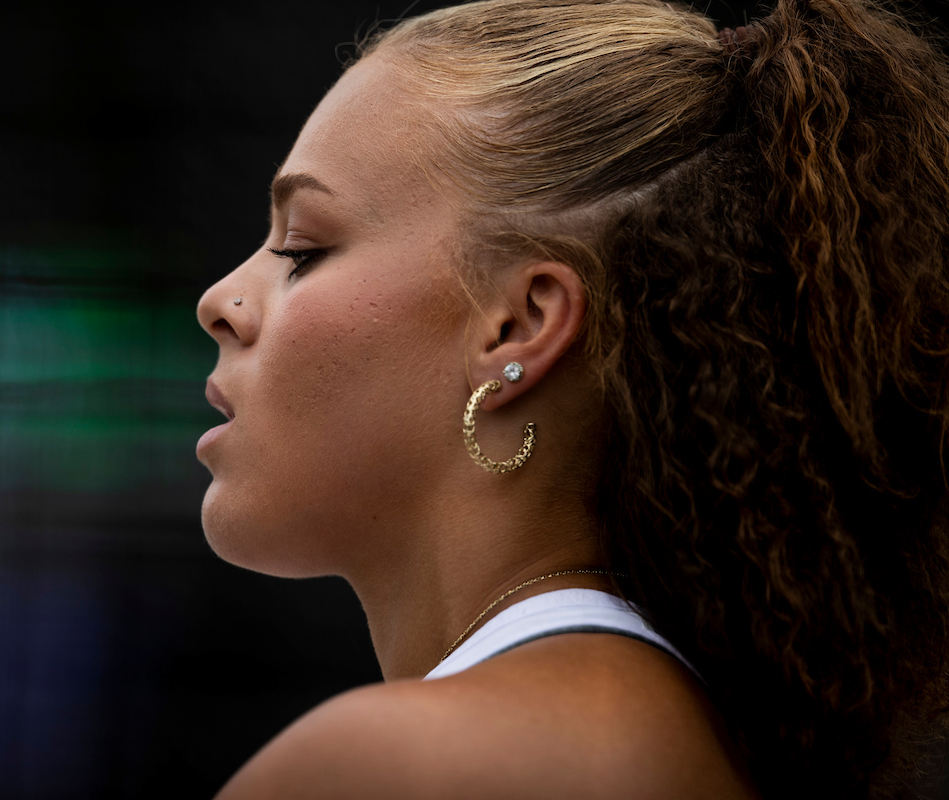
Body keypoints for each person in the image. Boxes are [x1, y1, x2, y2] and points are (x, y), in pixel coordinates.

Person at [194, 0, 949, 795]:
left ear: (519, 324)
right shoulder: (707, 744)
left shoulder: (402, 765)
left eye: (303, 247)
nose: (221, 300)